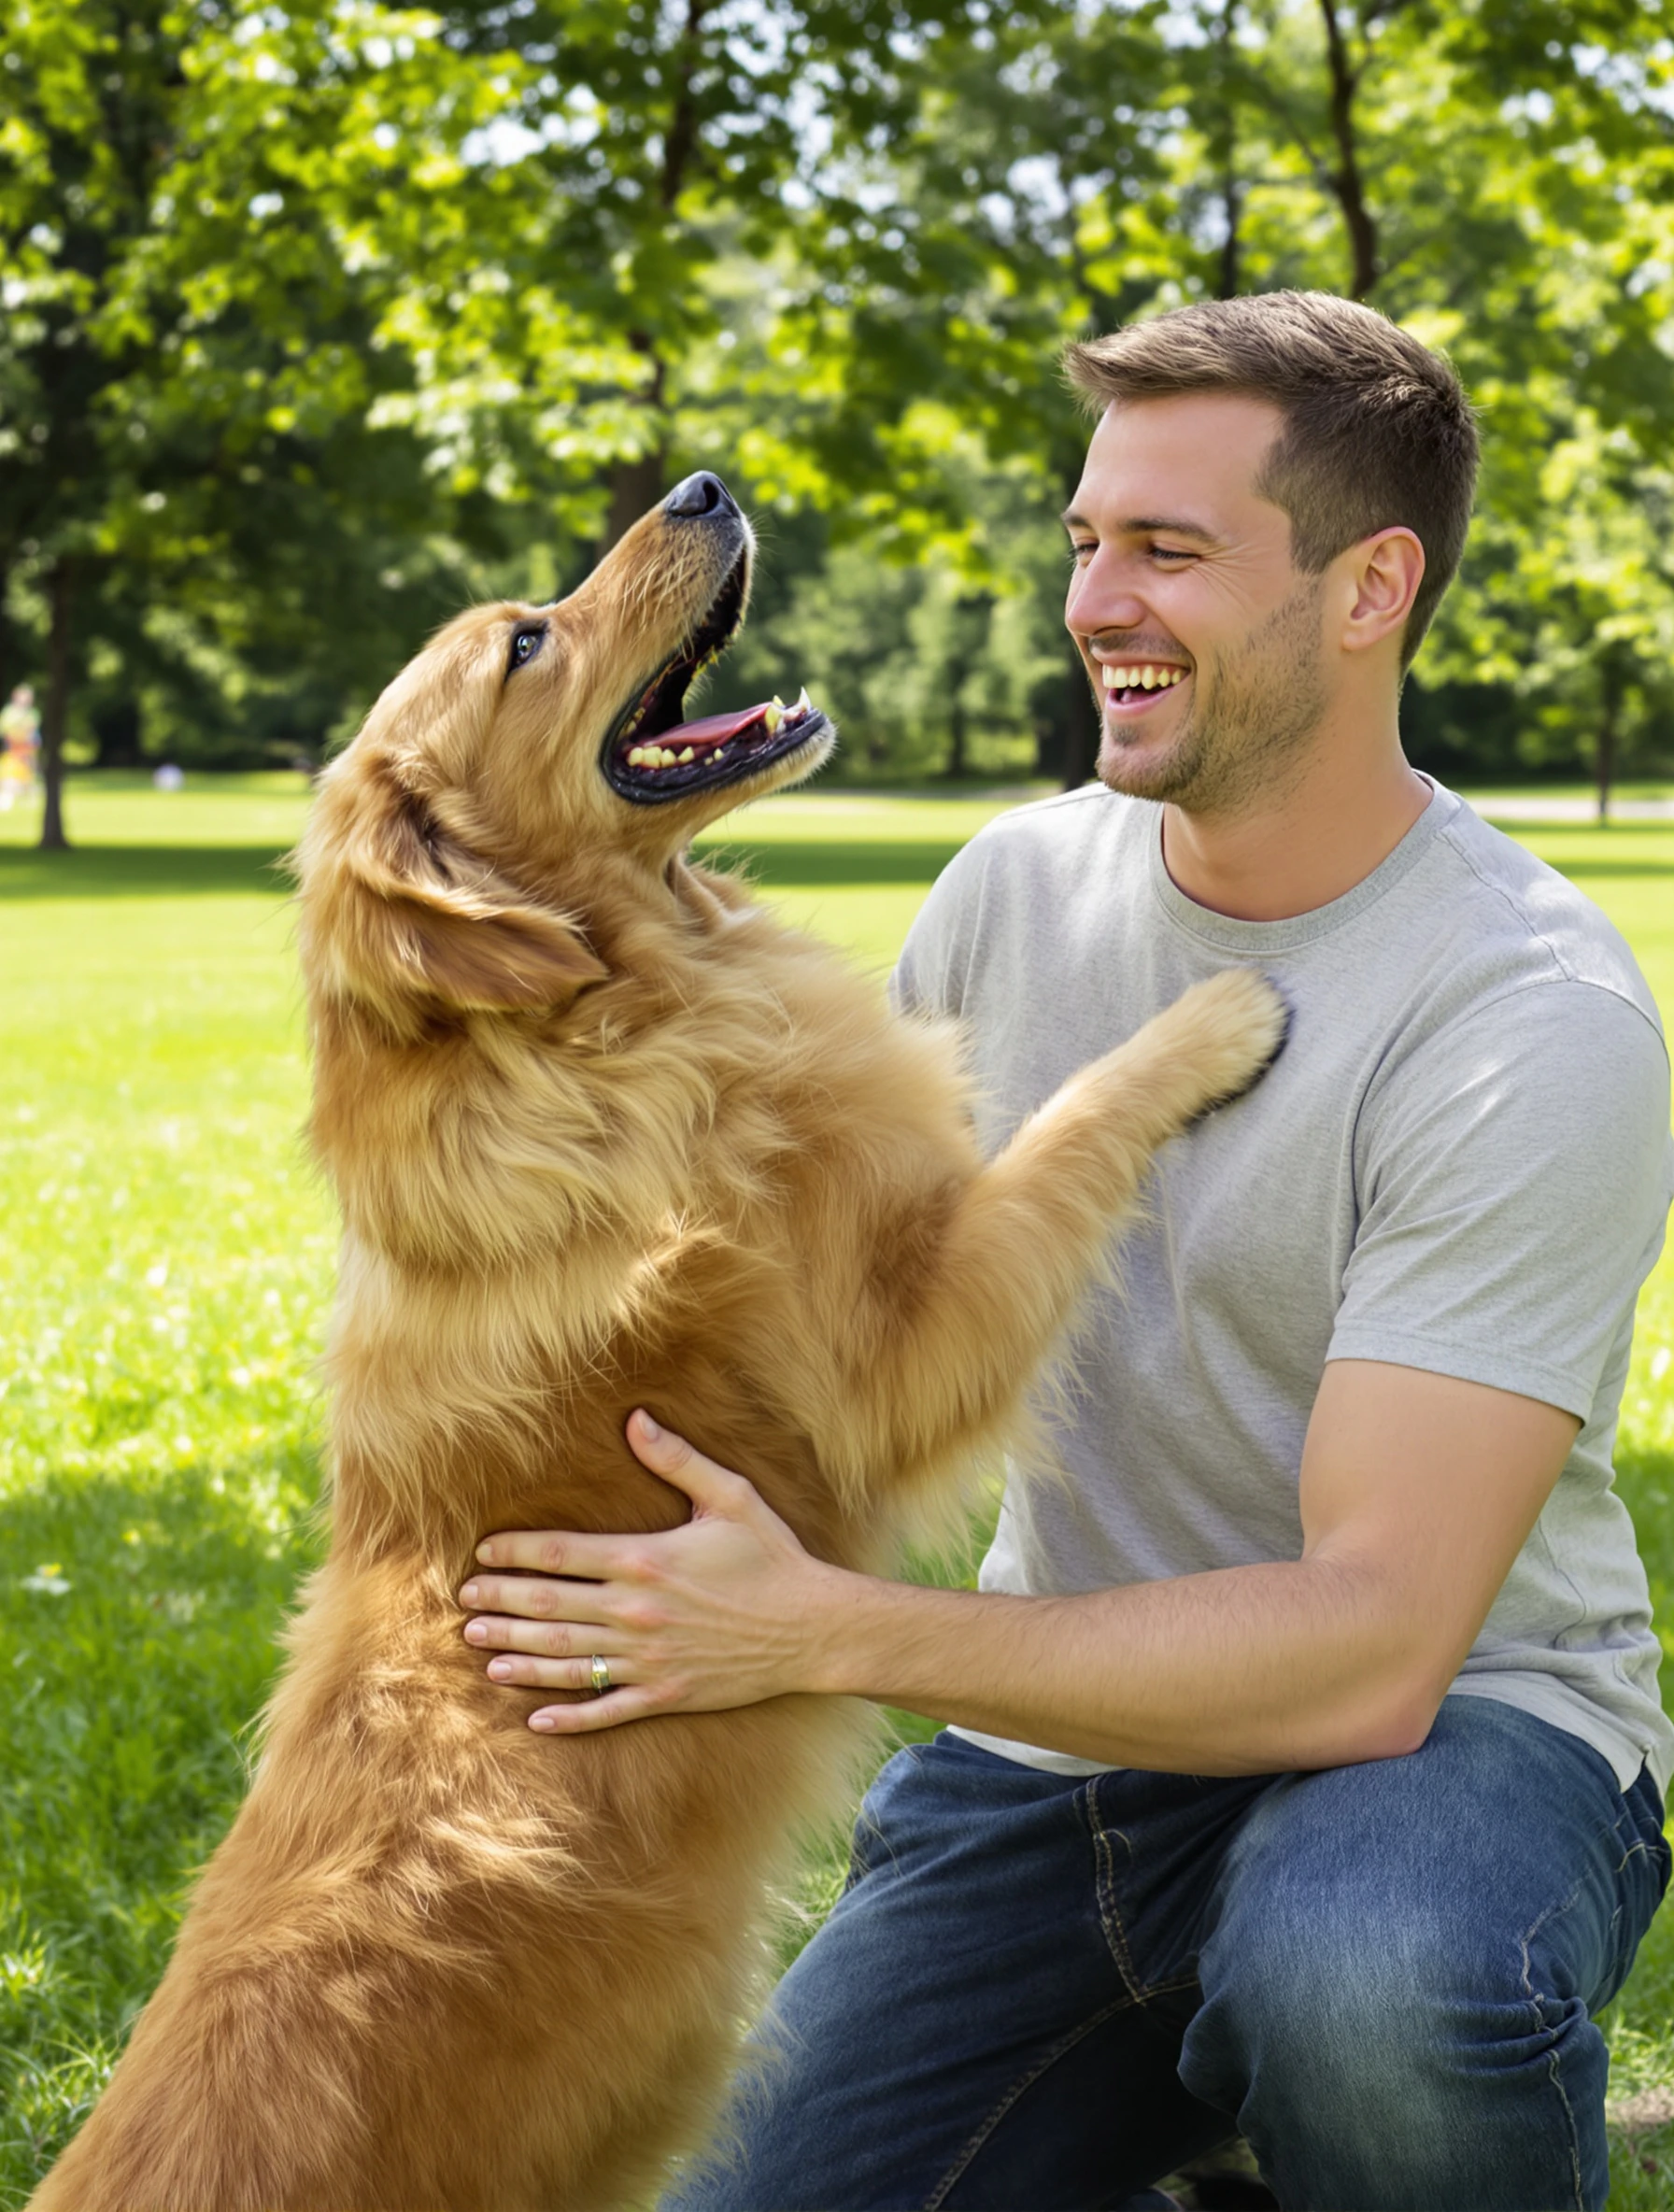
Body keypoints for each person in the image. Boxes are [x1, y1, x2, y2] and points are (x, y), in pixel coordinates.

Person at [457, 292, 1674, 2210]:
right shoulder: (1012, 890)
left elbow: (1367, 1647)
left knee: (1366, 1974)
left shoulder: (1522, 1016)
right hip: (1058, 1760)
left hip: (1454, 1739)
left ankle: (1289, 2076)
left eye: (1167, 551)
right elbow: (829, 1325)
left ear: (1369, 589)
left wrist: (824, 1627)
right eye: (1084, 539)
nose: (1093, 598)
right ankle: (1198, 2109)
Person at [0, 683, 39, 810]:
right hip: (12, 748)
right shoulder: (9, 712)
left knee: (28, 775)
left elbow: (33, 731)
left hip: (27, 749)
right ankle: (6, 799)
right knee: (8, 774)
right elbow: (5, 731)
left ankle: (29, 800)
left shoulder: (32, 713)